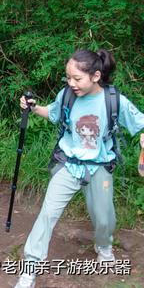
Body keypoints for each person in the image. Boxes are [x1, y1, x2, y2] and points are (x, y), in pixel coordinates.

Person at [14, 49, 144, 288]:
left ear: (95, 76)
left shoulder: (113, 100)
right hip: (68, 164)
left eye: (77, 78)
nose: (71, 83)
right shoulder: (67, 95)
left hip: (100, 165)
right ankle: (29, 269)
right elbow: (51, 114)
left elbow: (140, 123)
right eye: (68, 78)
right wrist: (33, 108)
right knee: (48, 214)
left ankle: (104, 247)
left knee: (104, 218)